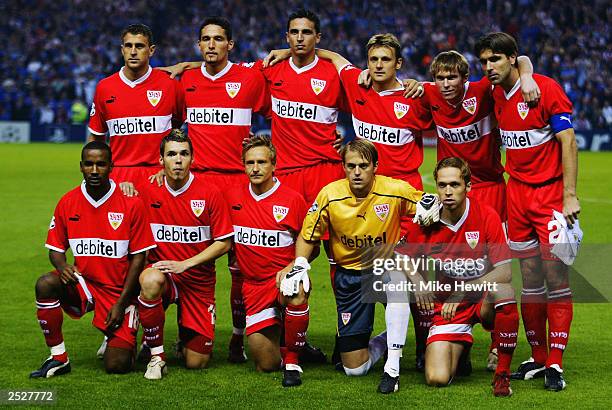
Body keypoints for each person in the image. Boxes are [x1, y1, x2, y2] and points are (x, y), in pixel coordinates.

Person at [278, 139, 439, 394]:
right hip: (350, 276)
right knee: (355, 368)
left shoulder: (395, 189)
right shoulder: (330, 195)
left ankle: (392, 369)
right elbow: (308, 235)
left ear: (375, 166)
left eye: (363, 166)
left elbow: (428, 203)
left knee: (397, 280)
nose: (356, 172)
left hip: (384, 270)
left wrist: (432, 208)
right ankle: (388, 338)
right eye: (351, 166)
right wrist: (299, 264)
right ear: (343, 166)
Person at [420, 49, 538, 372]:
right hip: (454, 188)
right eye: (439, 78)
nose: (445, 84)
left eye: (451, 77)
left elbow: (520, 60)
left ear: (464, 77)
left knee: (496, 270)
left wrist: (526, 74)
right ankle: (452, 335)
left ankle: (498, 343)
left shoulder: (483, 90)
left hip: (490, 188)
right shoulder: (428, 93)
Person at [475, 32, 580, 391]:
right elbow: (517, 65)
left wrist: (569, 196)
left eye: (496, 60)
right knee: (530, 280)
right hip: (516, 199)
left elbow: (569, 141)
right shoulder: (493, 93)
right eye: (485, 61)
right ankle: (537, 357)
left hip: (550, 199)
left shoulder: (544, 89)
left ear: (511, 58)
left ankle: (556, 362)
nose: (489, 67)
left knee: (556, 280)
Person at [31, 141, 155, 377]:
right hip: (84, 284)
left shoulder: (131, 204)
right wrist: (62, 265)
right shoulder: (68, 202)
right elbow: (55, 248)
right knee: (45, 283)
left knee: (117, 366)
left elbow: (139, 258)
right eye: (89, 164)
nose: (95, 170)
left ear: (111, 167)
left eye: (101, 164)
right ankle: (58, 357)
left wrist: (121, 303)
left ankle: (129, 320)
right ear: (81, 167)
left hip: (118, 291)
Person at [400, 157, 519, 397]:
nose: (448, 191)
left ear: (468, 186)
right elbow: (399, 253)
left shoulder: (486, 215)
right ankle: (461, 349)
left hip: (481, 301)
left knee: (504, 291)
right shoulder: (427, 218)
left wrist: (463, 291)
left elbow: (505, 271)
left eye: (455, 184)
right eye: (442, 185)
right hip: (448, 309)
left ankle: (502, 376)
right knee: (436, 378)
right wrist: (417, 280)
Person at [136, 130, 234, 379]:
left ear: (192, 159)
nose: (177, 160)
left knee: (196, 362)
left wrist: (185, 264)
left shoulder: (210, 193)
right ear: (161, 160)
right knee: (149, 280)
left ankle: (184, 335)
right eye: (171, 154)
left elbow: (224, 243)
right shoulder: (145, 190)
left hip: (197, 282)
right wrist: (123, 186)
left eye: (183, 154)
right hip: (163, 277)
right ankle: (156, 354)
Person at [227, 136, 318, 387]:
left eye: (261, 162)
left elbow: (314, 245)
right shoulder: (232, 196)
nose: (255, 168)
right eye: (249, 163)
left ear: (274, 165)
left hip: (282, 280)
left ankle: (293, 361)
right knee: (265, 365)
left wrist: (294, 266)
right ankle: (292, 340)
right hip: (253, 287)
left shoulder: (292, 200)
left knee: (297, 288)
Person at [88, 23, 184, 192]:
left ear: (151, 50)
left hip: (160, 179)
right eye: (128, 46)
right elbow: (96, 139)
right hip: (118, 180)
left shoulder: (170, 85)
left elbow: (178, 131)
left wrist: (168, 168)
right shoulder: (105, 88)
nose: (133, 52)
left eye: (139, 46)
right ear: (122, 50)